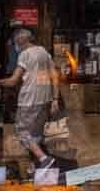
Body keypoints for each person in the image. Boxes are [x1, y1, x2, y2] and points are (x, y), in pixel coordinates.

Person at [6, 22, 61, 172]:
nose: (15, 47)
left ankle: (44, 158)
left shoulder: (25, 54)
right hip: (45, 99)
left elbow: (13, 80)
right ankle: (34, 168)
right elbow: (54, 75)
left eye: (16, 43)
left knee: (22, 131)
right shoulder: (44, 52)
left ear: (20, 42)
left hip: (29, 99)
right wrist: (55, 99)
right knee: (35, 135)